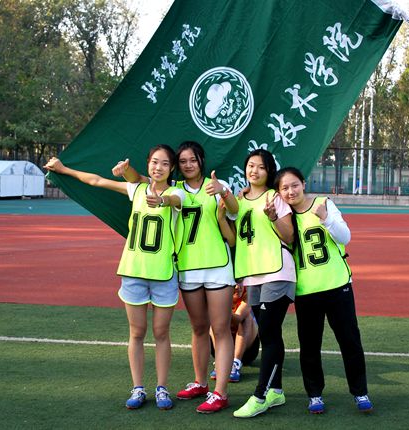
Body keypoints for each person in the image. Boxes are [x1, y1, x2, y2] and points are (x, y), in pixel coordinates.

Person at [44, 145, 185, 411]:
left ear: (172, 168)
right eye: (155, 162)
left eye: (165, 164)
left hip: (164, 273)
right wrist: (64, 169)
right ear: (148, 164)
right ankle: (138, 387)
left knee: (161, 332)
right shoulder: (137, 189)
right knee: (137, 332)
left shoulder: (177, 192)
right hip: (133, 271)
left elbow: (174, 201)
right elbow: (97, 181)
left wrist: (161, 201)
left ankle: (162, 387)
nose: (159, 168)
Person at [115, 141, 238, 413]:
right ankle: (200, 382)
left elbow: (234, 211)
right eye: (182, 161)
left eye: (192, 160)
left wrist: (223, 190)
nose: (188, 165)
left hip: (217, 266)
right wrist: (127, 171)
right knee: (198, 328)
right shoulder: (175, 188)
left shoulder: (215, 186)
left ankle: (220, 392)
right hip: (187, 268)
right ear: (176, 166)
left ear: (201, 160)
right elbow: (144, 180)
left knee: (220, 328)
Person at [274, 166, 373, 415]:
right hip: (306, 291)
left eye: (294, 185)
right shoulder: (283, 216)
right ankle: (314, 394)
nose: (290, 191)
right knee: (309, 346)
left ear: (303, 183)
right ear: (279, 192)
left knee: (350, 341)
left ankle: (360, 392)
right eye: (284, 188)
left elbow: (345, 237)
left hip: (337, 285)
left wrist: (326, 218)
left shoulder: (323, 203)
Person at [232, 149, 296, 419]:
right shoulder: (239, 200)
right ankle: (276, 391)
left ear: (269, 171)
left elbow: (289, 236)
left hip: (277, 272)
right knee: (271, 334)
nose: (254, 171)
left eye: (260, 166)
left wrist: (272, 217)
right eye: (250, 165)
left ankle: (260, 395)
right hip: (254, 275)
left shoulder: (275, 198)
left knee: (268, 334)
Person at [209, 202, 260, 383]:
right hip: (220, 341)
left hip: (248, 348)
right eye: (235, 282)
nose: (237, 286)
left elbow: (237, 319)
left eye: (239, 281)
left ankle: (236, 363)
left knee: (246, 319)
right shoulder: (219, 282)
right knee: (213, 320)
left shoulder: (248, 284)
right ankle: (220, 361)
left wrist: (222, 312)